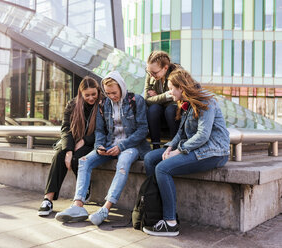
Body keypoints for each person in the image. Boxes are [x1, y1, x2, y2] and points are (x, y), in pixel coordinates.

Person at [55, 71, 150, 225]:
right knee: (84, 160)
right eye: (107, 93)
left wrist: (122, 146)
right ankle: (78, 205)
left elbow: (143, 130)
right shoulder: (103, 104)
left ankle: (105, 209)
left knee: (123, 163)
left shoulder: (135, 100)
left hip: (131, 145)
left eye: (114, 92)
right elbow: (100, 130)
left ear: (121, 87)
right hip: (110, 144)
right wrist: (99, 145)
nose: (111, 96)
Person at [143, 69, 230, 236]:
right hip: (195, 148)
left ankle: (170, 223)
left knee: (162, 168)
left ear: (181, 88)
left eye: (171, 88)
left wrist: (179, 151)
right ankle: (156, 208)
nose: (169, 92)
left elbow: (203, 135)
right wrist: (170, 147)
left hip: (213, 152)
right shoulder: (185, 103)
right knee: (150, 158)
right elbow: (181, 132)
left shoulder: (205, 101)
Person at [38, 76, 101, 216]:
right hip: (73, 139)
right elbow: (66, 128)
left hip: (92, 142)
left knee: (77, 158)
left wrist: (85, 140)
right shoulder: (72, 105)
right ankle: (48, 199)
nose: (91, 98)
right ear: (81, 93)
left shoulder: (103, 104)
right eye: (87, 95)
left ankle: (83, 192)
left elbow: (103, 130)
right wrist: (68, 150)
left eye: (94, 94)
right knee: (58, 155)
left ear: (98, 91)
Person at [144, 51, 181, 149]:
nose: (151, 75)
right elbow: (147, 99)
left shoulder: (177, 72)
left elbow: (178, 97)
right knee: (153, 109)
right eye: (149, 72)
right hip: (159, 111)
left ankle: (175, 146)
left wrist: (157, 97)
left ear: (165, 68)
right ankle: (155, 146)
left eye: (154, 73)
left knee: (170, 110)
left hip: (174, 112)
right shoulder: (151, 73)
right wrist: (165, 96)